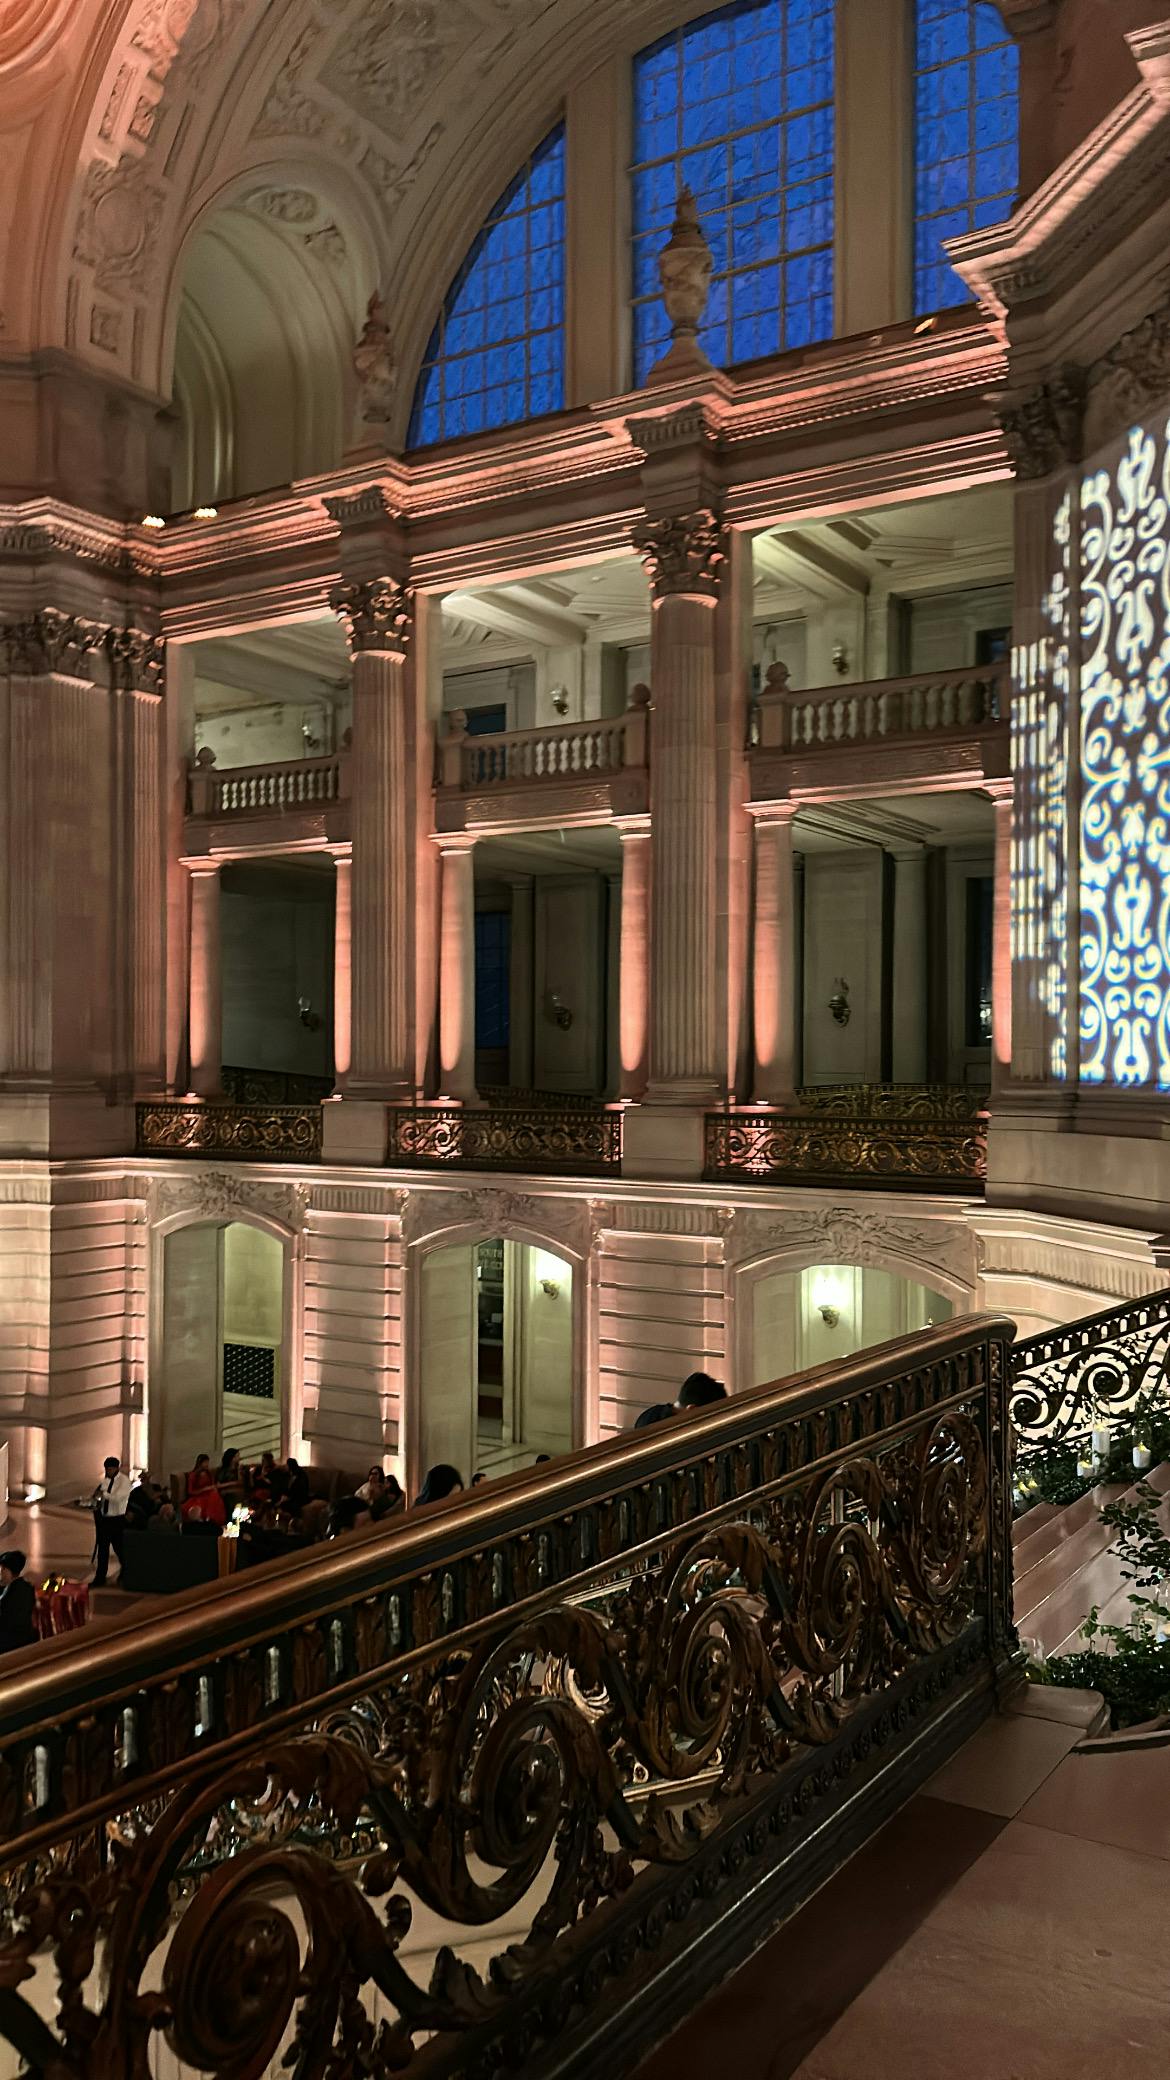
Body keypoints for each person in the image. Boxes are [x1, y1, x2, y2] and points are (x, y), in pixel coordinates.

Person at [91, 1455, 132, 1586]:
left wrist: (104, 1494)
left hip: (117, 1520)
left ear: (116, 1468)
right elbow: (99, 1495)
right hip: (105, 1519)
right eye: (107, 1470)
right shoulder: (106, 1480)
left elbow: (118, 1498)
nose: (108, 1472)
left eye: (110, 1469)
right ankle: (100, 1577)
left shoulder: (124, 1481)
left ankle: (127, 1573)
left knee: (119, 1548)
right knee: (103, 1549)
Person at [0, 1553, 37, 1654]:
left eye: (1, 1568)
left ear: (6, 1570)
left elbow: (10, 1619)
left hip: (12, 1644)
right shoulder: (21, 1587)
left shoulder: (17, 1591)